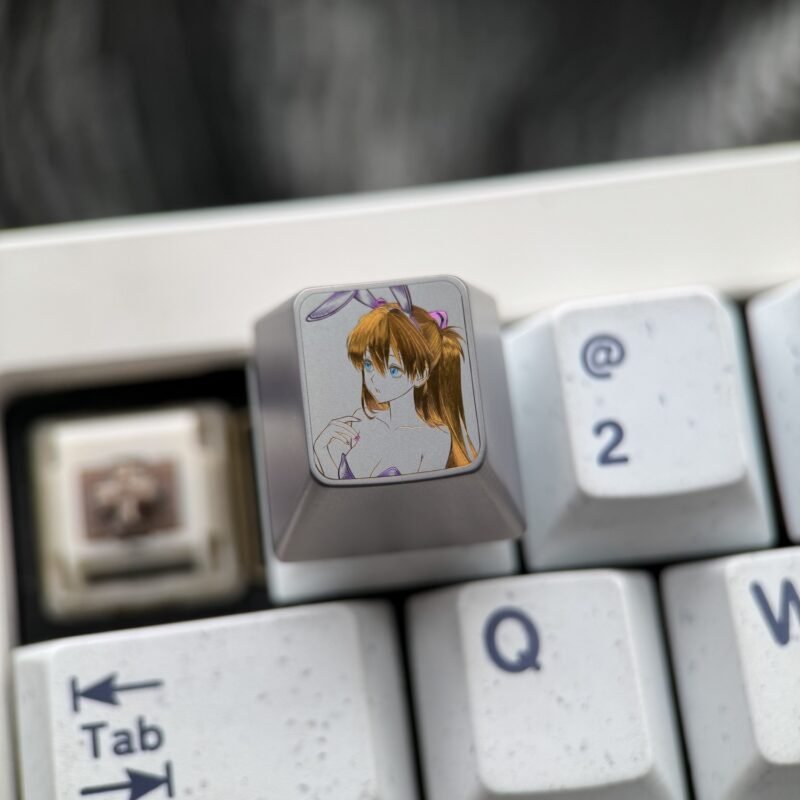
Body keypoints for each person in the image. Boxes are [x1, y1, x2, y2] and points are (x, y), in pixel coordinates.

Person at [308, 287, 476, 479]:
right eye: (368, 364)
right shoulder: (360, 421)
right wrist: (321, 450)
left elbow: (420, 493)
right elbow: (342, 489)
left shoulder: (434, 438)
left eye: (394, 370)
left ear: (420, 375)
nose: (374, 378)